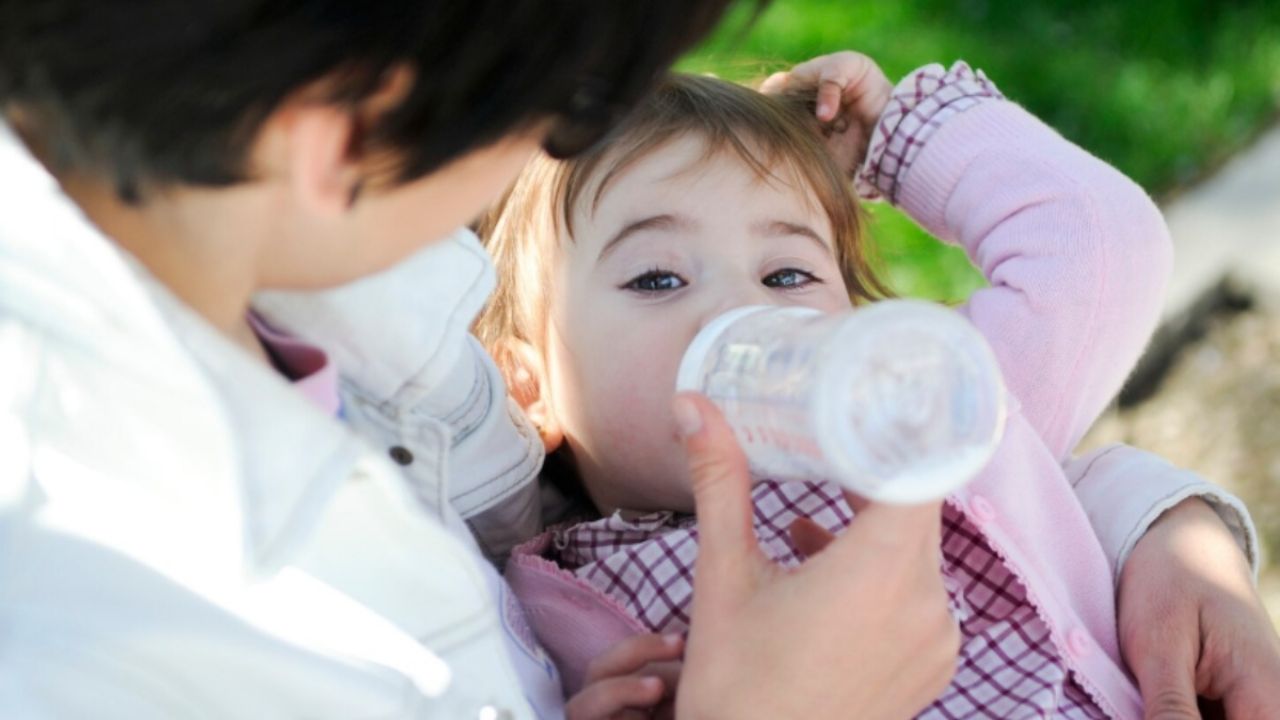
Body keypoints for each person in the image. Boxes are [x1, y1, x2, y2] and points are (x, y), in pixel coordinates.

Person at [0, 2, 962, 718]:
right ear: (346, 135)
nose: (555, 145)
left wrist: (1121, 520)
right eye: (576, 104)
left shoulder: (350, 306)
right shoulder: (103, 637)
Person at [475, 55, 1280, 718]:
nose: (744, 310)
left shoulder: (924, 411)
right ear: (529, 388)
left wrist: (896, 143)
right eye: (656, 278)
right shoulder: (547, 605)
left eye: (788, 271)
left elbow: (1102, 250)